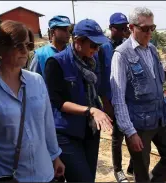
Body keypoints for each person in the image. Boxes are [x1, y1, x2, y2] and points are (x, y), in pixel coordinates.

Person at [0, 20, 65, 182]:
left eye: (28, 45)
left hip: (44, 173)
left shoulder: (37, 81)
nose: (25, 51)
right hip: (6, 176)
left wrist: (55, 156)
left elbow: (47, 124)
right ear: (1, 49)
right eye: (18, 45)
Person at [110, 7, 166, 182]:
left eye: (152, 27)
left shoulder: (152, 50)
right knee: (141, 170)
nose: (149, 32)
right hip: (139, 125)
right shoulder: (121, 55)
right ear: (132, 27)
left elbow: (159, 83)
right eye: (144, 28)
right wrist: (130, 131)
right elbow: (118, 98)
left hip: (161, 118)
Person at [44, 19, 113, 182]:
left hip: (89, 132)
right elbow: (57, 102)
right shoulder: (56, 63)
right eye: (93, 45)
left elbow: (99, 90)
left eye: (98, 46)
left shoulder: (93, 62)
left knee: (88, 177)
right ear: (77, 41)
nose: (96, 50)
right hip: (66, 133)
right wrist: (90, 110)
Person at [95, 12, 133, 183]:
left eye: (125, 27)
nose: (124, 30)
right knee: (118, 137)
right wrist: (106, 102)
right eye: (120, 28)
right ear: (111, 28)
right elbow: (100, 77)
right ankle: (118, 170)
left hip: (130, 98)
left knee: (135, 131)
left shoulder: (128, 46)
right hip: (112, 100)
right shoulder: (103, 49)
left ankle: (133, 165)